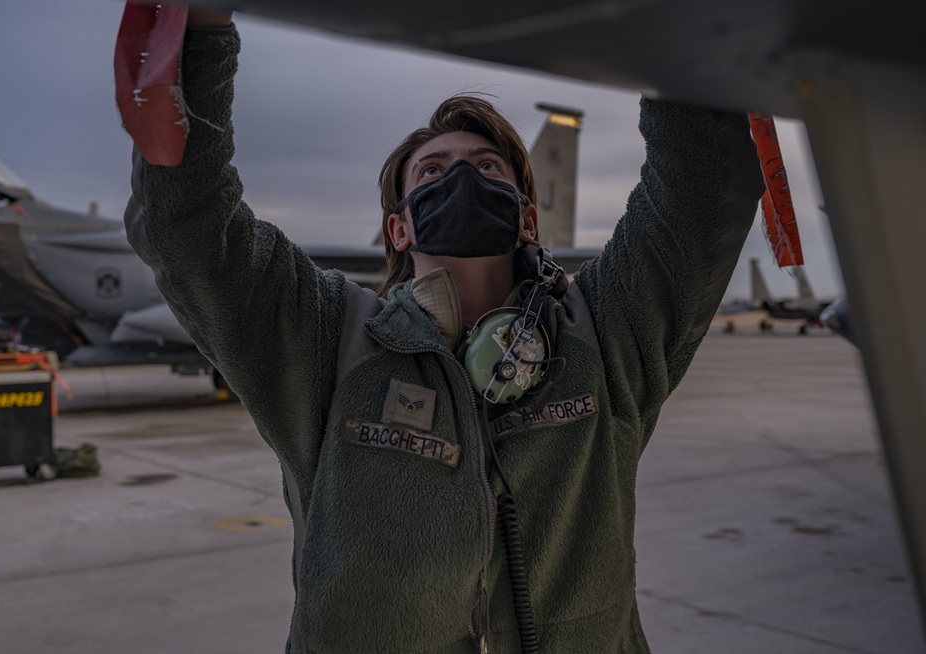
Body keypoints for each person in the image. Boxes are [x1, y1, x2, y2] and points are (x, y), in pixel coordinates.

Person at [123, 10, 765, 654]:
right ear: (398, 229)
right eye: (431, 172)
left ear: (526, 220)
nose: (461, 175)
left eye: (488, 168)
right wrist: (200, 30)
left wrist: (679, 25)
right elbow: (190, 226)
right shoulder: (326, 339)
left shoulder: (600, 334)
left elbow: (700, 187)